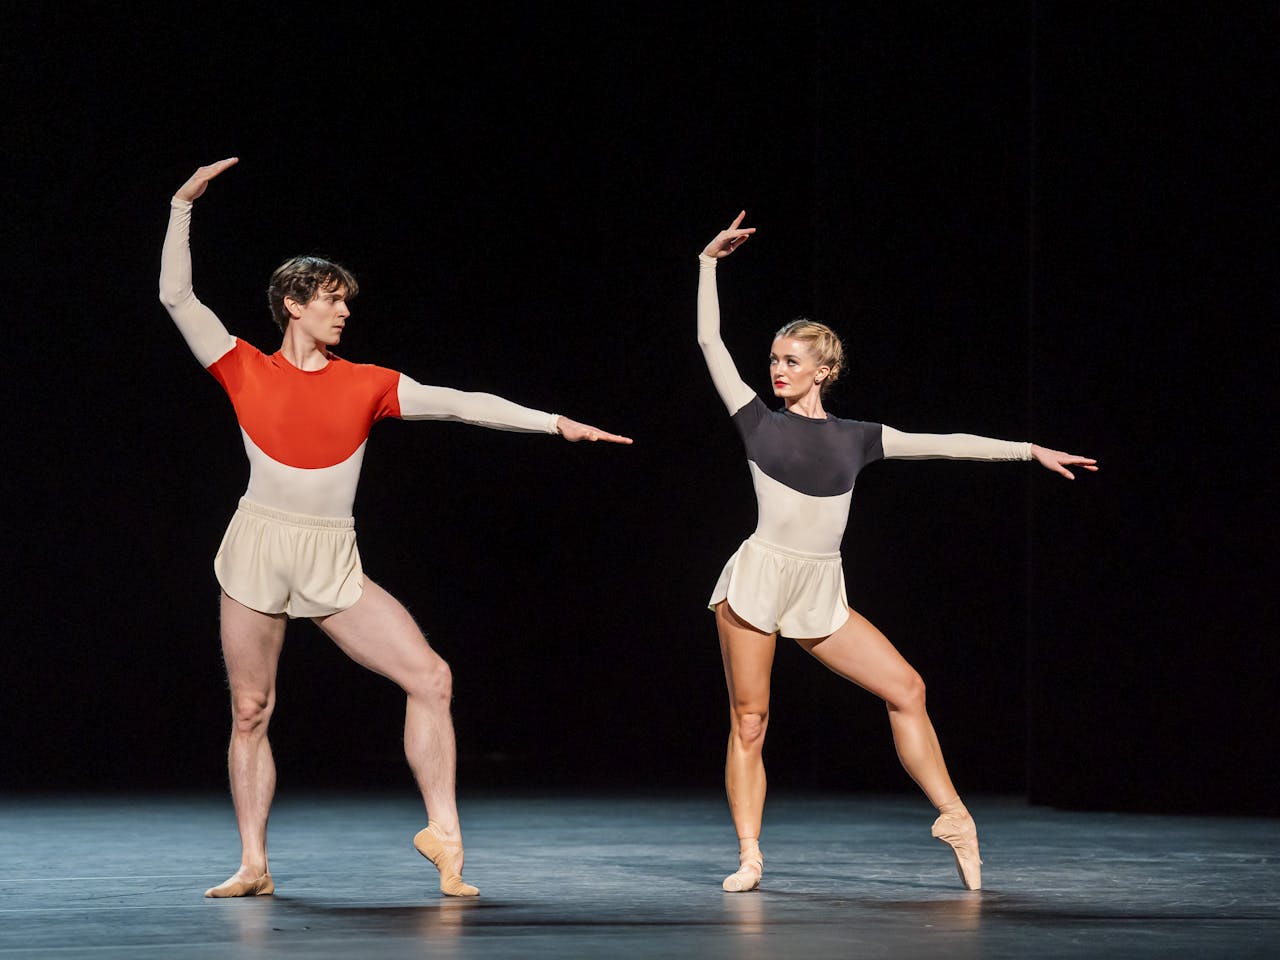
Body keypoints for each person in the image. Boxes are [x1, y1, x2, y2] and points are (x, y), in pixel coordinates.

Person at [159, 157, 631, 899]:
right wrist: (184, 204)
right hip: (256, 548)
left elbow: (462, 402)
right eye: (329, 301)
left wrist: (555, 425)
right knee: (250, 709)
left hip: (330, 560)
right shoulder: (241, 367)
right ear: (292, 303)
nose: (343, 312)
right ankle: (253, 863)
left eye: (346, 302)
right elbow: (176, 294)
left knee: (431, 677)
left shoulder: (369, 384)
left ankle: (445, 837)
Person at [697, 212, 1096, 893]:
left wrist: (1027, 450)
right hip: (759, 579)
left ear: (824, 368)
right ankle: (750, 855)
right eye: (773, 359)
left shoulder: (860, 438)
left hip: (821, 588)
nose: (777, 370)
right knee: (752, 719)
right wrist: (707, 263)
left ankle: (954, 817)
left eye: (791, 360)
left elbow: (948, 442)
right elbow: (709, 338)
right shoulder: (756, 420)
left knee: (906, 688)